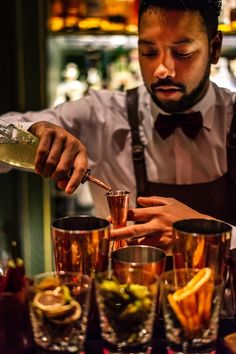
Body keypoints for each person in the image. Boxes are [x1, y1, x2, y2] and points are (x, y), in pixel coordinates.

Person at [1, 0, 236, 247]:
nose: (162, 70)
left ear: (215, 48)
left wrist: (205, 234)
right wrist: (32, 133)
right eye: (149, 52)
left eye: (182, 53)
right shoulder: (103, 114)